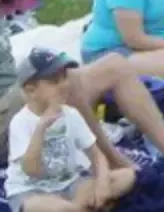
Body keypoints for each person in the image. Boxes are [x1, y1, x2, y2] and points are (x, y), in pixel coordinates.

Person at [5, 49, 137, 212]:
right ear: (31, 90)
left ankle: (81, 206)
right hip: (32, 191)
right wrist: (42, 128)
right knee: (44, 206)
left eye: (65, 77)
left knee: (126, 176)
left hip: (70, 184)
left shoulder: (71, 114)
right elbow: (32, 170)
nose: (64, 84)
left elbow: (96, 155)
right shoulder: (21, 122)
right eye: (55, 81)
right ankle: (84, 207)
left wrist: (102, 183)